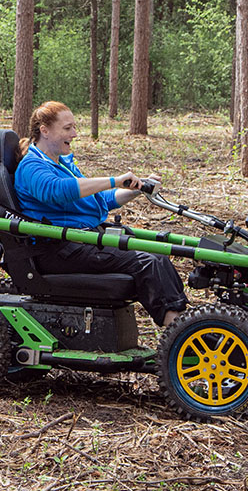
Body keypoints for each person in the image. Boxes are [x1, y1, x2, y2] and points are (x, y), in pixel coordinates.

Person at [14, 101, 187, 327]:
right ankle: (178, 332)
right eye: (67, 128)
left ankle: (183, 322)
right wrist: (113, 180)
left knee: (158, 255)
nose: (75, 134)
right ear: (44, 130)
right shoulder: (32, 166)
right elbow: (57, 191)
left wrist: (136, 189)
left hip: (80, 240)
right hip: (58, 249)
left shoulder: (61, 163)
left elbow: (99, 200)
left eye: (74, 127)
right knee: (147, 262)